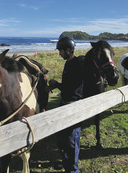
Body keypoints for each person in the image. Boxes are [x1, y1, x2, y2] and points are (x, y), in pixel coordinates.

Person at [49, 36, 83, 173]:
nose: (59, 53)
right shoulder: (68, 63)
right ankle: (67, 164)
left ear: (68, 50)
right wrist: (56, 85)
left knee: (72, 140)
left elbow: (74, 88)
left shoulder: (78, 63)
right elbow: (68, 86)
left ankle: (73, 170)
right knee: (62, 139)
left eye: (61, 51)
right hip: (64, 103)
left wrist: (57, 85)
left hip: (73, 105)